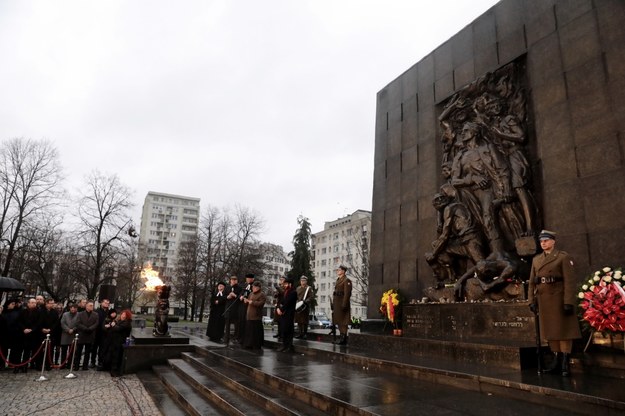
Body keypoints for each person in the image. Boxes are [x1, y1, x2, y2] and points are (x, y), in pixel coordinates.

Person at [528, 230, 581, 377]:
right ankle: (556, 361)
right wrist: (531, 301)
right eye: (541, 241)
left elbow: (570, 282)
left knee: (563, 331)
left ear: (553, 241)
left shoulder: (562, 257)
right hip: (544, 299)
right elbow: (532, 282)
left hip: (559, 298)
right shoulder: (536, 260)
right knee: (551, 332)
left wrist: (569, 302)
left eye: (546, 240)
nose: (543, 243)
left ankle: (565, 362)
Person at [15, 298, 42, 373]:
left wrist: (31, 330)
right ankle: (17, 366)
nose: (34, 304)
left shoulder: (38, 312)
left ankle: (25, 366)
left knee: (27, 352)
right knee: (19, 351)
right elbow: (19, 321)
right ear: (28, 303)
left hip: (32, 335)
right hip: (22, 334)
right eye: (32, 302)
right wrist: (24, 329)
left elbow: (38, 323)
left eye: (35, 303)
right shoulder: (22, 311)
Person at [75, 300, 99, 370]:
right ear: (86, 306)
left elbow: (96, 323)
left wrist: (90, 329)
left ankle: (85, 366)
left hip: (90, 334)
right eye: (90, 305)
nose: (92, 307)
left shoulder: (95, 314)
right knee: (78, 351)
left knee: (87, 352)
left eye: (92, 305)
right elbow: (78, 323)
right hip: (82, 334)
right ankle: (76, 365)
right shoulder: (80, 314)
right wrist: (85, 328)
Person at [331, 265, 352, 345]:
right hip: (337, 303)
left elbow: (347, 293)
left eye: (339, 270)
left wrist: (344, 304)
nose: (338, 271)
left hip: (342, 303)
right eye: (338, 270)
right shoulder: (338, 280)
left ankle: (343, 338)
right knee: (339, 321)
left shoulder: (347, 280)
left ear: (343, 271)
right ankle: (341, 337)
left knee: (343, 321)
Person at [242, 281, 266, 349]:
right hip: (249, 316)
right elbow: (248, 303)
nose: (253, 288)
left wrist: (252, 302)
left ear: (259, 288)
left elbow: (261, 304)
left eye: (255, 287)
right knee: (249, 332)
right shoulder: (251, 294)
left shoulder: (262, 294)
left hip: (256, 316)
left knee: (256, 332)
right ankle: (249, 344)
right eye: (253, 287)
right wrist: (245, 301)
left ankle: (256, 344)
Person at [108, 310, 132, 377]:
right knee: (114, 356)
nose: (123, 315)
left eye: (125, 315)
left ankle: (115, 371)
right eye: (122, 314)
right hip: (115, 341)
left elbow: (118, 329)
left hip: (120, 342)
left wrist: (113, 325)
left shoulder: (127, 323)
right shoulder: (120, 321)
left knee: (117, 357)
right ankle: (112, 369)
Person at [276, 277, 297, 352]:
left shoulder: (293, 292)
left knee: (288, 330)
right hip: (283, 314)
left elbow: (287, 303)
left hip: (289, 314)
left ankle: (289, 346)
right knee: (284, 330)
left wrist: (281, 309)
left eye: (286, 284)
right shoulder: (286, 291)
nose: (284, 285)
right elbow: (281, 301)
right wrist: (278, 308)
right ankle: (284, 345)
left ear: (290, 284)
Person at [93, 298, 113, 368]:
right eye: (105, 303)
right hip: (97, 332)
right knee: (94, 348)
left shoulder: (109, 312)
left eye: (108, 303)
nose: (106, 304)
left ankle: (100, 362)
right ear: (101, 303)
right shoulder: (96, 311)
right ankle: (92, 362)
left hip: (105, 333)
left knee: (102, 349)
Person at [223, 276, 242, 346]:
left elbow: (240, 297)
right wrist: (228, 297)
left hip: (236, 309)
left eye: (235, 280)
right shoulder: (227, 288)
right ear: (230, 280)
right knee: (227, 325)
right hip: (228, 309)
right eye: (232, 280)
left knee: (236, 325)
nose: (234, 281)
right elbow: (223, 297)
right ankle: (226, 339)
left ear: (237, 281)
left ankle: (235, 338)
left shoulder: (239, 288)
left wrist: (235, 295)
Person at [60, 303, 79, 369]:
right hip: (65, 334)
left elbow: (78, 324)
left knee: (71, 351)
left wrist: (73, 329)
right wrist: (68, 330)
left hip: (73, 335)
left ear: (76, 309)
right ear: (70, 308)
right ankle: (62, 364)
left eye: (74, 308)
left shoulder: (79, 315)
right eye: (72, 308)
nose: (73, 309)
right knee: (64, 351)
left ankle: (69, 364)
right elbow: (62, 323)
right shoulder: (65, 314)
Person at [238, 273, 255, 343]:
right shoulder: (245, 285)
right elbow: (241, 293)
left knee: (247, 323)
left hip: (249, 306)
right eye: (247, 278)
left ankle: (246, 338)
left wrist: (246, 299)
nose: (248, 280)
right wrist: (240, 297)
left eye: (249, 278)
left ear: (252, 279)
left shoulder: (254, 286)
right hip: (242, 306)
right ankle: (240, 338)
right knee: (241, 322)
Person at [272, 276, 286, 341]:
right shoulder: (280, 287)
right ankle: (279, 333)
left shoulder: (285, 287)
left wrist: (278, 288)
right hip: (278, 304)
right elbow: (276, 295)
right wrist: (276, 293)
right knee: (278, 321)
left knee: (282, 321)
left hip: (282, 305)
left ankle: (282, 334)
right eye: (280, 279)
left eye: (282, 279)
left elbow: (283, 293)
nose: (281, 281)